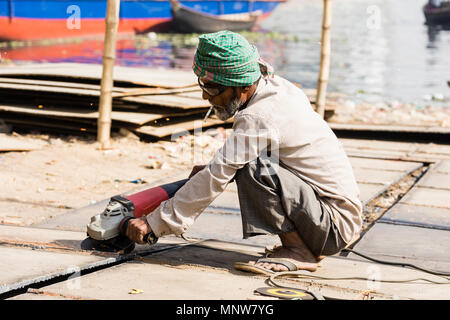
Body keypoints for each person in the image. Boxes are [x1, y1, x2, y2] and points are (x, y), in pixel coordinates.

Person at [126, 30, 362, 274]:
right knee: (238, 165)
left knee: (252, 167)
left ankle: (299, 251)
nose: (206, 96)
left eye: (213, 89)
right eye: (204, 86)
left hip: (333, 227)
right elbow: (221, 168)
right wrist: (211, 171)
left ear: (242, 86)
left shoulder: (258, 116)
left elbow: (219, 173)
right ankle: (300, 245)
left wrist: (154, 223)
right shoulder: (277, 88)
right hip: (334, 218)